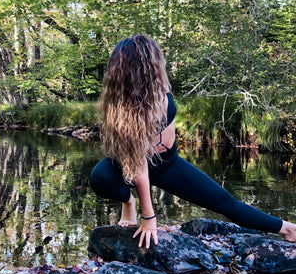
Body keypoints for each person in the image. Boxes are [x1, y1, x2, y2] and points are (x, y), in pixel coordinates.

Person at [90, 34, 296, 249]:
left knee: (226, 203)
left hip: (165, 164)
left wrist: (149, 218)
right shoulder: (116, 103)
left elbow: (143, 164)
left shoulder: (160, 94)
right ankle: (127, 202)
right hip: (128, 163)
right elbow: (135, 164)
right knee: (100, 178)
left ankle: (289, 229)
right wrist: (143, 212)